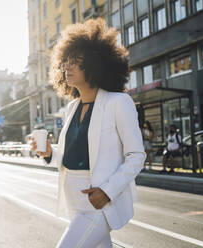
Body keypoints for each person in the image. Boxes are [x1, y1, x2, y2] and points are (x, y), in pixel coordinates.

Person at [31, 18, 145, 248]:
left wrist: (107, 191)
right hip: (74, 202)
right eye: (65, 62)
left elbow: (137, 156)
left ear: (95, 64)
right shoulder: (72, 108)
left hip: (99, 204)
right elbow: (71, 155)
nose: (67, 68)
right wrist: (48, 154)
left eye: (76, 62)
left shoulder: (118, 103)